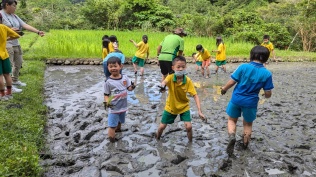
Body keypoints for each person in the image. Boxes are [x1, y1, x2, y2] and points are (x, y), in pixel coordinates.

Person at [220, 45, 274, 156]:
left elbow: (231, 82)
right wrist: (265, 95)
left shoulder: (243, 67)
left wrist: (224, 89)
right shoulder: (267, 74)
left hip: (236, 99)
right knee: (248, 125)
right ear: (266, 58)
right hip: (251, 102)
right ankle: (245, 145)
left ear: (252, 55)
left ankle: (231, 136)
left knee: (231, 120)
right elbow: (268, 93)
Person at [156, 56, 205, 142]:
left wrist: (199, 111)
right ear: (173, 68)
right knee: (161, 127)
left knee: (189, 126)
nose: (180, 69)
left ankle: (190, 143)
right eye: (178, 67)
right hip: (171, 107)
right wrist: (162, 86)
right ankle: (157, 138)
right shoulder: (170, 77)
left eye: (183, 67)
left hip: (184, 107)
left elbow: (195, 95)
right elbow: (164, 82)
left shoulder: (188, 81)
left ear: (185, 67)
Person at [0, 0, 45, 90]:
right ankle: (8, 86)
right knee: (9, 65)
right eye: (13, 6)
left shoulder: (14, 16)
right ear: (7, 5)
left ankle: (15, 80)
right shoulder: (0, 14)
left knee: (18, 62)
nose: (15, 8)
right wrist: (9, 30)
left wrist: (38, 31)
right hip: (6, 43)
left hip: (16, 42)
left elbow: (24, 25)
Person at [103, 56, 136, 142]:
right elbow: (106, 94)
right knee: (112, 126)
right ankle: (112, 140)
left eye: (115, 66)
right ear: (108, 68)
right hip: (114, 108)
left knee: (120, 121)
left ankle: (119, 129)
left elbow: (129, 88)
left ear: (121, 66)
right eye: (110, 67)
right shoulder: (108, 82)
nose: (113, 68)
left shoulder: (125, 78)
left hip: (123, 106)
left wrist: (132, 87)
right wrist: (107, 101)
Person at [0, 15, 20, 101]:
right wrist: (6, 39)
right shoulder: (3, 27)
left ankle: (2, 95)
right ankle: (9, 93)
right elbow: (16, 35)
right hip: (5, 55)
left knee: (0, 76)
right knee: (7, 74)